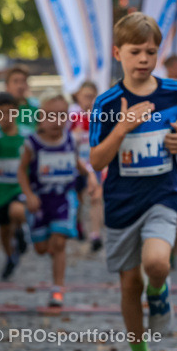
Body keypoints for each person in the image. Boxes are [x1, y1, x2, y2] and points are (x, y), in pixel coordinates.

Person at [89, 12, 177, 351]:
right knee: (128, 284)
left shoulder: (172, 91)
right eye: (135, 52)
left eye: (150, 52)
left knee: (156, 262)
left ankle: (160, 290)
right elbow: (97, 160)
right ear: (118, 53)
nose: (143, 60)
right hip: (121, 203)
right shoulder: (107, 102)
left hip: (162, 194)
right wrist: (123, 127)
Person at [18, 94, 98, 307]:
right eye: (51, 116)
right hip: (40, 202)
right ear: (40, 118)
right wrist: (29, 195)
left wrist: (90, 176)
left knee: (59, 243)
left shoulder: (70, 139)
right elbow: (21, 171)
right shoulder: (32, 143)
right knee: (42, 248)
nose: (57, 121)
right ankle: (36, 239)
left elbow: (77, 162)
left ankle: (57, 288)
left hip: (64, 198)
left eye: (62, 116)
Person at [0, 92, 32, 280]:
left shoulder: (26, 134)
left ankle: (21, 232)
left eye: (9, 113)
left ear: (16, 113)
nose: (5, 118)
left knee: (17, 211)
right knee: (3, 230)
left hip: (20, 186)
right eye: (0, 113)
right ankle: (10, 256)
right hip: (0, 188)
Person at [70, 81, 104, 251]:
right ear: (78, 96)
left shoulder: (100, 117)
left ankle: (95, 235)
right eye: (85, 96)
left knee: (96, 197)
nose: (88, 100)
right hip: (76, 164)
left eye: (92, 96)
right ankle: (78, 224)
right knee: (78, 198)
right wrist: (73, 136)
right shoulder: (71, 115)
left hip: (94, 163)